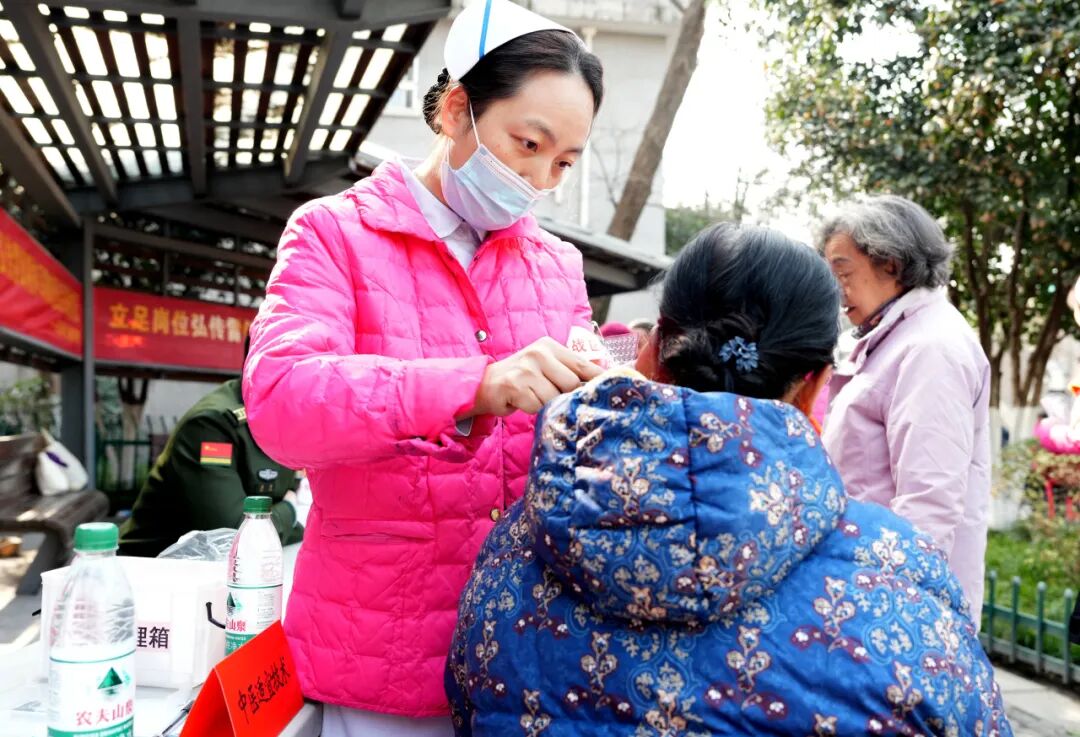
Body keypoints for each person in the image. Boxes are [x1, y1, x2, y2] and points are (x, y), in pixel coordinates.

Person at [446, 224, 1011, 736]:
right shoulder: (900, 577)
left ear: (651, 350)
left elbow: (468, 704)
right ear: (816, 385)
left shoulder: (516, 546)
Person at [241, 1, 605, 733]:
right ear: (456, 109)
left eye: (564, 161)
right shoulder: (335, 234)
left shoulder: (557, 265)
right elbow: (280, 401)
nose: (541, 179)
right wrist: (473, 384)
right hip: (382, 657)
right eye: (528, 144)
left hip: (522, 660)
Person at [818, 195, 991, 615]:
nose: (837, 291)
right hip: (869, 583)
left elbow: (928, 505)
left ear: (891, 264)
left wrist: (892, 612)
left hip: (893, 604)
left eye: (843, 273)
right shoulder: (897, 336)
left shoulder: (931, 348)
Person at [119, 338, 302, 557]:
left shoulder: (286, 419)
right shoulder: (212, 425)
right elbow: (234, 538)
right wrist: (291, 510)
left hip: (228, 566)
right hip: (152, 566)